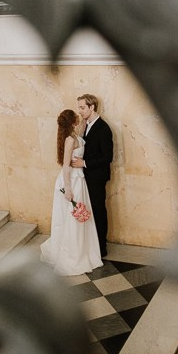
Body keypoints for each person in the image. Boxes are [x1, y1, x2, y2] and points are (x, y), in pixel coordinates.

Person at [40, 108, 102, 276]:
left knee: (79, 214)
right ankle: (72, 255)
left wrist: (88, 116)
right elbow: (66, 166)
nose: (79, 116)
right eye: (77, 115)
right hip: (71, 181)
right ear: (73, 122)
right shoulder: (69, 140)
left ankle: (83, 250)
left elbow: (82, 127)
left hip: (79, 180)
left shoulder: (75, 136)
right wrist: (67, 188)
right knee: (72, 216)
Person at [72, 93, 113, 260]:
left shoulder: (103, 128)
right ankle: (93, 244)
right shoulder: (86, 125)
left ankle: (102, 248)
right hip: (86, 177)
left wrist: (84, 163)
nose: (80, 111)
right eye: (79, 107)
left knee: (98, 210)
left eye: (82, 107)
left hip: (97, 177)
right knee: (89, 210)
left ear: (92, 107)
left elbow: (107, 157)